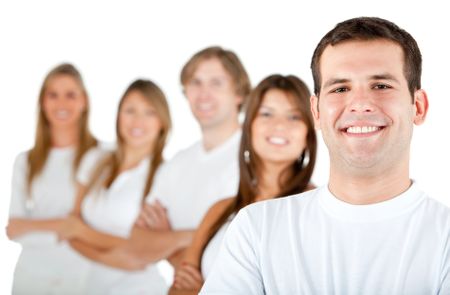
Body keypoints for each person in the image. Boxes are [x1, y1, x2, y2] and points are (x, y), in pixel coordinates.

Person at [201, 17, 450, 294]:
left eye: (381, 86)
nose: (360, 104)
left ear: (418, 106)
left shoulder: (445, 238)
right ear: (317, 111)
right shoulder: (256, 229)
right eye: (340, 89)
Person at [92, 46, 252, 273]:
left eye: (216, 83)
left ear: (239, 93)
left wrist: (167, 238)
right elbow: (138, 245)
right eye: (195, 82)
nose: (203, 93)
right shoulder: (177, 164)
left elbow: (244, 254)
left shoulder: (257, 158)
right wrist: (200, 236)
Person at [169, 74, 317, 294]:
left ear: (308, 132)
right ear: (248, 128)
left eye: (294, 117)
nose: (278, 125)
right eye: (266, 114)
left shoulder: (317, 209)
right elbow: (177, 289)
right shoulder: (219, 211)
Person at [57, 79, 180, 294]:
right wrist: (114, 256)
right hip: (84, 285)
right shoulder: (95, 159)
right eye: (130, 110)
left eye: (149, 112)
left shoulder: (165, 175)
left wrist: (82, 232)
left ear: (162, 122)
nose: (137, 121)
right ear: (118, 116)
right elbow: (68, 229)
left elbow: (143, 250)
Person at [7, 63, 97, 294]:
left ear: (84, 101)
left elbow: (100, 226)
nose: (61, 104)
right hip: (30, 277)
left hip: (82, 276)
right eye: (53, 95)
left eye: (70, 95)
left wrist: (36, 228)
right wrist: (67, 227)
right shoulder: (25, 161)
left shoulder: (101, 156)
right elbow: (14, 228)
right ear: (42, 102)